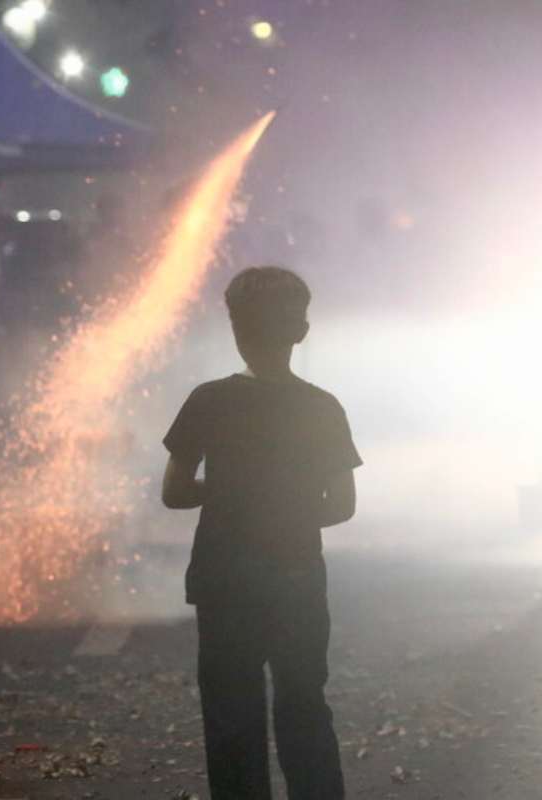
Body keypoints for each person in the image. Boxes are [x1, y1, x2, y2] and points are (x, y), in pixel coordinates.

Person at [162, 266, 360, 800]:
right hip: (296, 576)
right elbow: (342, 506)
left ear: (236, 330)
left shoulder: (207, 400)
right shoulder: (322, 407)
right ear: (301, 330)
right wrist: (286, 508)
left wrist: (229, 495)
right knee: (304, 707)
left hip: (224, 579)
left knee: (231, 718)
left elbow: (174, 492)